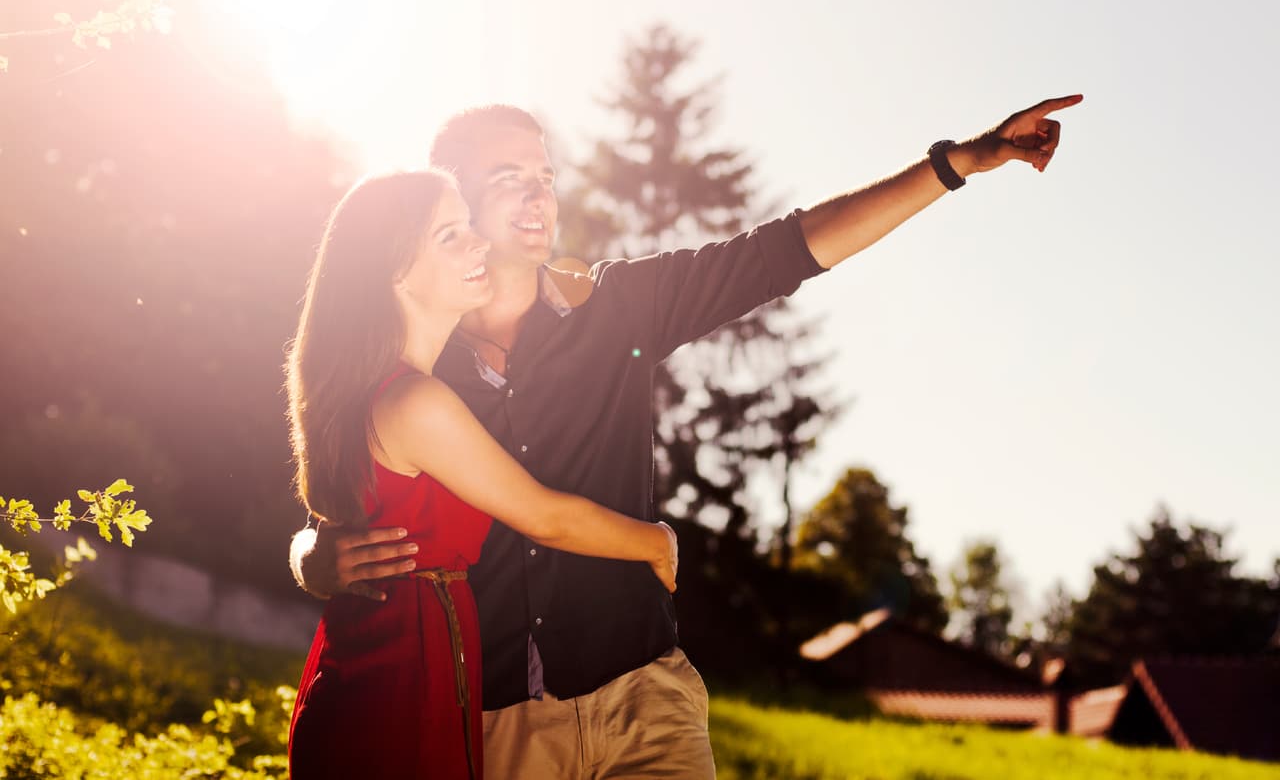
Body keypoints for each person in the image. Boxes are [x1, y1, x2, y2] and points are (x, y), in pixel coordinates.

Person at [292, 94, 1083, 778]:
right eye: (509, 181)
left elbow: (786, 250)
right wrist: (314, 554)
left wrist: (957, 163)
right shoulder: (416, 358)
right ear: (450, 199)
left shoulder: (621, 307)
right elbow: (342, 489)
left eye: (546, 179)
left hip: (645, 696)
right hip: (496, 727)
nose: (539, 200)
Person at [283, 168, 679, 780]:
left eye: (469, 227)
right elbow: (544, 516)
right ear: (395, 271)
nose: (479, 245)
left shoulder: (377, 389)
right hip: (400, 684)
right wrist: (657, 541)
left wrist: (310, 552)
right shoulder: (417, 403)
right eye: (449, 235)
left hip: (385, 664)